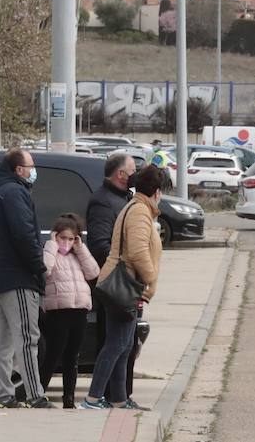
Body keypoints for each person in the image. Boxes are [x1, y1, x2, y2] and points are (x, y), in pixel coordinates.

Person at [82, 164, 166, 411]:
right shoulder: (140, 211)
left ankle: (119, 399)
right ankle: (93, 398)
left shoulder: (136, 206)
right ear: (157, 191)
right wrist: (151, 279)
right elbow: (138, 251)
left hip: (124, 283)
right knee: (117, 344)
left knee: (124, 344)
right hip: (125, 285)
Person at [0, 148, 52, 409]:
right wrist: (39, 267)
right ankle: (36, 395)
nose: (34, 170)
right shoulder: (15, 193)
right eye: (31, 166)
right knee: (26, 337)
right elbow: (24, 235)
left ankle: (3, 395)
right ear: (18, 169)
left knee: (3, 340)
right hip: (17, 277)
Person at [39, 214, 100, 408]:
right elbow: (44, 270)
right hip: (58, 311)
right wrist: (51, 246)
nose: (67, 242)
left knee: (72, 357)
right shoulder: (51, 254)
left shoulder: (77, 255)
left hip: (79, 310)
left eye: (71, 238)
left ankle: (69, 399)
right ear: (55, 236)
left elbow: (93, 272)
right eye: (63, 238)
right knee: (53, 354)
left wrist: (81, 249)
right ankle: (38, 393)